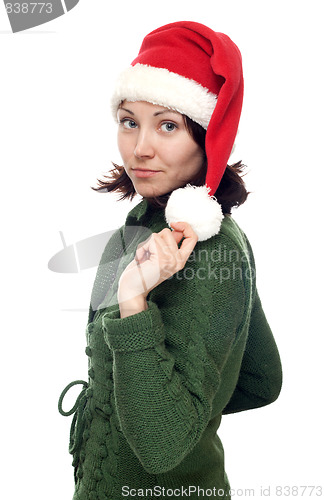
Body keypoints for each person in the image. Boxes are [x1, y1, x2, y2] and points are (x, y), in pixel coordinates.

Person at [58, 21, 282, 500]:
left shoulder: (207, 249)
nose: (140, 147)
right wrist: (190, 408)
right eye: (128, 121)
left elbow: (160, 447)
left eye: (167, 125)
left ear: (207, 137)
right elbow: (261, 379)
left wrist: (134, 300)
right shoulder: (148, 222)